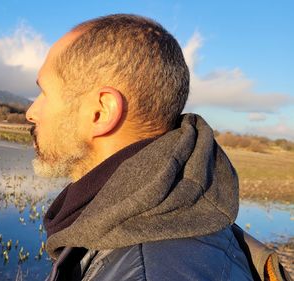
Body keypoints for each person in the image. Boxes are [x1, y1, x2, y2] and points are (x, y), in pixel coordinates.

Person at [26, 14, 290, 281]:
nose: (31, 112)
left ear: (101, 111)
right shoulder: (181, 211)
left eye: (45, 93)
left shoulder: (149, 270)